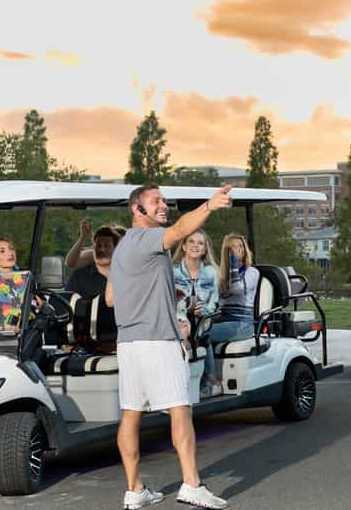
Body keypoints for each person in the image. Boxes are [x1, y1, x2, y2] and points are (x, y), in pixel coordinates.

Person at [106, 183, 231, 510]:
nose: (163, 205)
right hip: (158, 340)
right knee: (180, 408)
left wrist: (159, 295)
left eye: (164, 200)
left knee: (131, 413)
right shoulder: (148, 238)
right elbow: (178, 230)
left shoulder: (122, 249)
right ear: (137, 209)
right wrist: (210, 206)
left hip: (129, 342)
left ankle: (134, 490)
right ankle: (192, 484)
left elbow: (110, 298)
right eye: (155, 201)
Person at [172, 229, 221, 398]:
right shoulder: (173, 271)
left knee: (201, 330)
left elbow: (214, 302)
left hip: (203, 319)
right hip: (179, 316)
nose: (195, 246)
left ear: (205, 249)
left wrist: (203, 310)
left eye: (200, 243)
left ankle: (211, 380)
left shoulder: (211, 272)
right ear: (184, 246)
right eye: (191, 242)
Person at [207, 234, 260, 347]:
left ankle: (208, 366)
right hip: (223, 321)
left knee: (204, 334)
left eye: (240, 246)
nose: (237, 249)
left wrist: (234, 261)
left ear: (244, 250)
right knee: (196, 330)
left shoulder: (252, 272)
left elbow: (236, 289)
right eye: (233, 247)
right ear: (226, 252)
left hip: (242, 324)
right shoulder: (221, 276)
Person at [66, 226, 120, 299]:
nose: (102, 250)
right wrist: (83, 237)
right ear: (93, 248)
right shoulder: (80, 276)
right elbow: (67, 304)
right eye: (98, 245)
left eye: (107, 246)